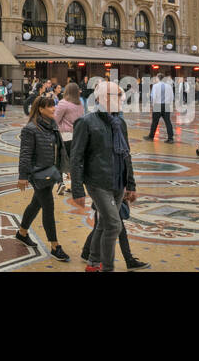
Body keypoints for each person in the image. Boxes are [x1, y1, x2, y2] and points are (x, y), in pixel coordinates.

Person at [68, 79, 136, 272]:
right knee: (114, 225)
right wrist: (77, 189)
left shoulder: (119, 123)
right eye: (116, 95)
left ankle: (92, 263)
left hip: (118, 182)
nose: (120, 99)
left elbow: (126, 155)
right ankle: (107, 268)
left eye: (121, 95)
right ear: (101, 98)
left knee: (103, 224)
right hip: (98, 182)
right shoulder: (86, 122)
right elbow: (76, 157)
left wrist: (131, 185)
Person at [14, 95, 69, 261]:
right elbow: (25, 155)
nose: (54, 109)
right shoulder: (30, 129)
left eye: (54, 105)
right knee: (48, 206)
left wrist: (64, 169)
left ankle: (22, 233)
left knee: (35, 203)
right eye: (50, 106)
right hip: (37, 174)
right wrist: (23, 176)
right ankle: (54, 245)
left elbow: (59, 149)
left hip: (50, 171)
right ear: (40, 109)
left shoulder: (52, 125)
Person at [54, 82, 84, 171]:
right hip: (77, 135)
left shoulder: (63, 103)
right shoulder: (80, 103)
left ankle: (61, 183)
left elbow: (55, 120)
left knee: (61, 162)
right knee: (74, 162)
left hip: (65, 136)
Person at [144, 73, 174, 142]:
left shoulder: (155, 86)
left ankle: (151, 137)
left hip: (157, 105)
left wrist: (153, 105)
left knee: (155, 122)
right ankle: (170, 138)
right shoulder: (169, 86)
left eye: (156, 78)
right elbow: (172, 96)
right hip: (166, 105)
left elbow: (153, 97)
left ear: (158, 78)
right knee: (168, 122)